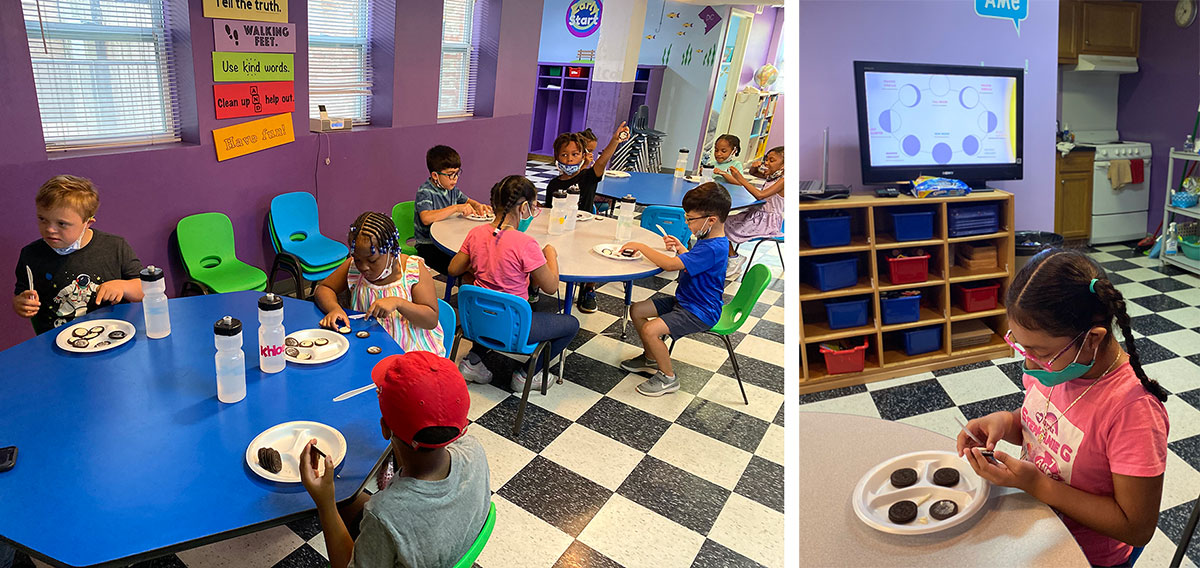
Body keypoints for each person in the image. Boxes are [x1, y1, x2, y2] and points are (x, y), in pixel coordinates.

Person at [957, 249, 1169, 568]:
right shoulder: (1059, 364)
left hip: (1087, 556)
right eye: (1022, 346)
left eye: (1039, 352)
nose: (1029, 363)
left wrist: (1039, 485)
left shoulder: (1133, 411)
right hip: (1036, 527)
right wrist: (1004, 421)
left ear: (1093, 339)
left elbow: (1136, 527)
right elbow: (1043, 424)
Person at [299, 351, 491, 568]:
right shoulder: (474, 449)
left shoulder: (385, 515)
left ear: (384, 428)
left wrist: (325, 504)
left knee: (342, 503)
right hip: (444, 546)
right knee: (349, 499)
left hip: (400, 530)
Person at [448, 175, 580, 393]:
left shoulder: (476, 233)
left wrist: (482, 262)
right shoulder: (526, 244)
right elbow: (551, 286)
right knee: (571, 324)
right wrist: (551, 256)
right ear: (524, 207)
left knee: (490, 300)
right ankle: (526, 374)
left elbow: (453, 269)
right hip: (513, 329)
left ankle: (472, 361)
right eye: (534, 206)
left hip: (477, 322)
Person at [618, 182, 730, 396]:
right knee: (638, 310)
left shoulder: (713, 247)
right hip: (686, 301)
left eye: (690, 219)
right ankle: (651, 357)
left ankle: (668, 377)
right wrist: (682, 249)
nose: (687, 223)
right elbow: (694, 265)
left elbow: (669, 266)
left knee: (651, 330)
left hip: (701, 311)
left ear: (711, 220)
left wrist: (641, 246)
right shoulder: (709, 240)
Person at [11, 175, 144, 334]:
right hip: (56, 341)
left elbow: (145, 290)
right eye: (42, 219)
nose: (49, 229)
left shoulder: (115, 247)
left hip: (111, 334)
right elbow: (21, 295)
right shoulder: (31, 254)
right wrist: (21, 304)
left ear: (87, 223)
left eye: (61, 224)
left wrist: (124, 286)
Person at [314, 211, 445, 356]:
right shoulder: (352, 267)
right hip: (368, 344)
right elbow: (324, 288)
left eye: (372, 260)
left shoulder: (412, 270)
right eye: (357, 259)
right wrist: (334, 309)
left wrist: (399, 303)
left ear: (391, 251)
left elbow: (431, 320)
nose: (363, 267)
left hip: (408, 349)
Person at [544, 123, 630, 313]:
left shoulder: (588, 177)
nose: (569, 159)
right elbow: (549, 211)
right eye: (564, 155)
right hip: (559, 230)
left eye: (575, 154)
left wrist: (615, 140)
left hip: (584, 231)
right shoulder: (553, 184)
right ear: (556, 157)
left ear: (583, 156)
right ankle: (534, 285)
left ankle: (589, 289)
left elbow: (601, 162)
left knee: (591, 258)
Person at [413, 145, 491, 275]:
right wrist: (455, 208)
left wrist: (478, 205)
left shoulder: (451, 189)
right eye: (450, 175)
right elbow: (426, 218)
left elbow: (467, 201)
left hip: (449, 239)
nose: (455, 179)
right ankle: (471, 292)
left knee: (476, 261)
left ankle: (475, 290)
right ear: (435, 175)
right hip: (429, 245)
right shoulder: (425, 192)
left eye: (457, 173)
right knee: (468, 267)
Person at [718, 146, 784, 278]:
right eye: (766, 159)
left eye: (772, 160)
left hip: (767, 222)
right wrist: (754, 168)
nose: (767, 163)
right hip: (757, 215)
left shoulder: (784, 180)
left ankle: (733, 257)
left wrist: (740, 179)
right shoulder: (774, 176)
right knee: (719, 222)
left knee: (720, 225)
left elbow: (760, 195)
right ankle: (728, 257)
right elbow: (754, 173)